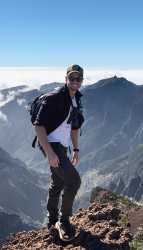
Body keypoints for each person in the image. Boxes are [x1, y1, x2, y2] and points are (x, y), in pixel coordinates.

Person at [33, 64, 84, 240]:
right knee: (74, 181)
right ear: (66, 79)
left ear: (82, 81)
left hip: (62, 146)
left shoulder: (76, 99)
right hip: (51, 145)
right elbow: (38, 126)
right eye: (72, 78)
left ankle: (52, 220)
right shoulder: (55, 98)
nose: (75, 81)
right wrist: (50, 153)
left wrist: (76, 149)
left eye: (78, 78)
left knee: (58, 183)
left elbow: (74, 127)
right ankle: (63, 221)